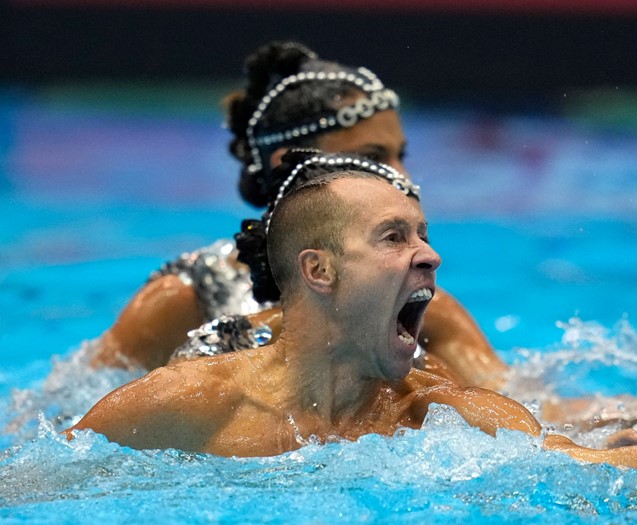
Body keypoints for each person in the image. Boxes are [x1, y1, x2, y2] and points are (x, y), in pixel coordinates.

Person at [69, 165, 637, 479]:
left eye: (426, 233)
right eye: (395, 237)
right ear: (319, 271)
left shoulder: (435, 415)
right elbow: (34, 485)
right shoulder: (188, 404)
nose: (431, 256)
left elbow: (588, 465)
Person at [88, 41, 507, 390]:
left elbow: (525, 408)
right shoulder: (184, 299)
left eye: (400, 156)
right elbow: (79, 420)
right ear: (289, 163)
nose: (402, 177)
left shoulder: (413, 299)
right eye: (373, 157)